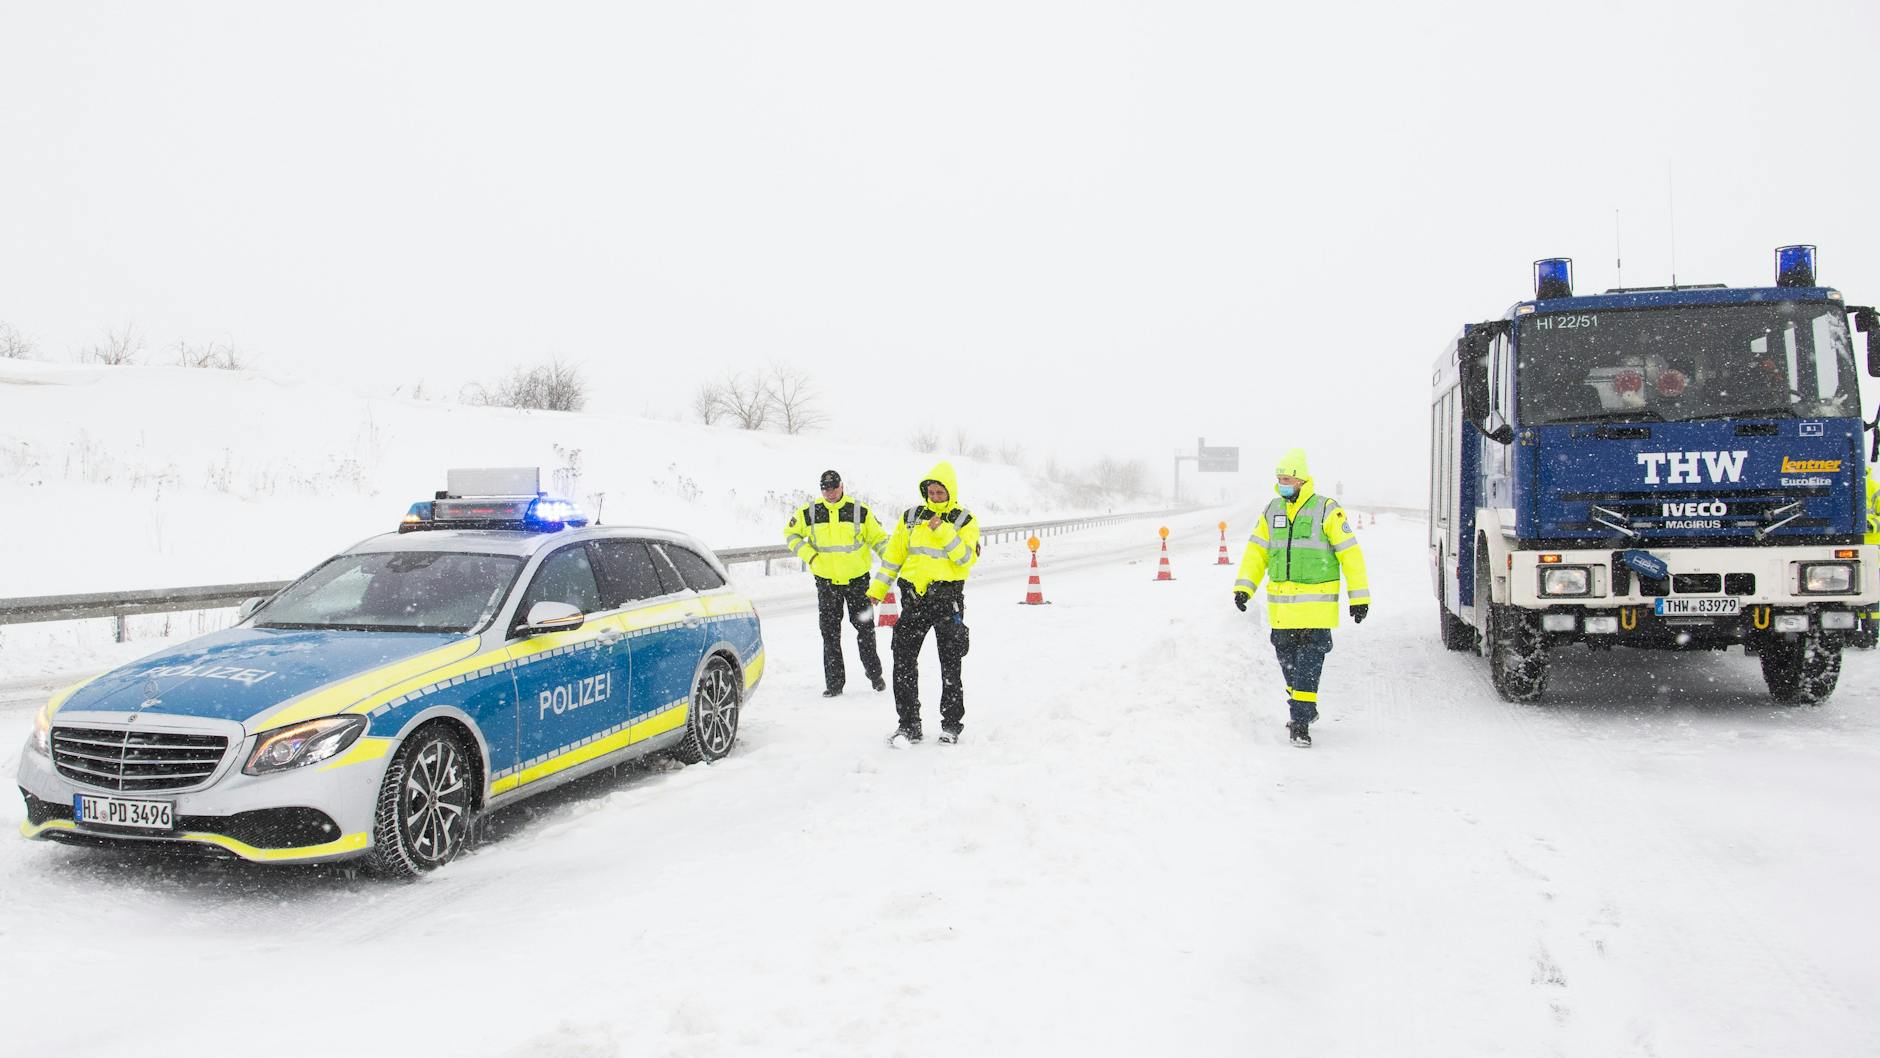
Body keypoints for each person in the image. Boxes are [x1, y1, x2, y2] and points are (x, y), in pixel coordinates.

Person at [1232, 448, 1370, 747]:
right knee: (1288, 665)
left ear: (1301, 480)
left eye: (1287, 479)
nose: (1282, 484)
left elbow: (1350, 554)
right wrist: (1244, 586)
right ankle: (1304, 707)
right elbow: (1257, 552)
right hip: (1282, 611)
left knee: (1307, 665)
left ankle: (1300, 723)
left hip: (1316, 611)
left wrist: (1359, 597)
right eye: (1279, 478)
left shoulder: (1326, 510)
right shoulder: (1272, 511)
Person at [867, 461, 979, 744]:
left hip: (947, 602)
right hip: (914, 602)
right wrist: (878, 588)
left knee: (950, 665)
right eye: (931, 491)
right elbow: (893, 557)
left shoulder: (964, 520)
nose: (935, 496)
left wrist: (942, 529)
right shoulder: (910, 518)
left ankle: (951, 725)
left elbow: (965, 559)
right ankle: (908, 725)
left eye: (940, 492)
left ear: (950, 491)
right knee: (902, 662)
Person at [784, 469, 890, 696]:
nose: (830, 493)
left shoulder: (859, 510)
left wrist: (890, 562)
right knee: (830, 633)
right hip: (826, 582)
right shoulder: (809, 512)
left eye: (833, 487)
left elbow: (879, 539)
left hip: (858, 581)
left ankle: (875, 675)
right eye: (825, 489)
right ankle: (834, 685)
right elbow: (790, 535)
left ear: (842, 486)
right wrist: (810, 556)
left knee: (865, 630)